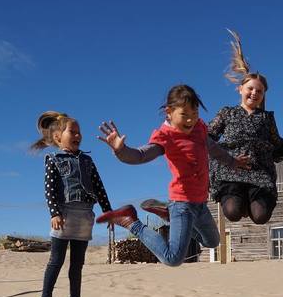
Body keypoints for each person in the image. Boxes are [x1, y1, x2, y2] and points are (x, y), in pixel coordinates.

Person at [95, 84, 249, 266]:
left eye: (195, 113)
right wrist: (121, 151)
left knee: (212, 242)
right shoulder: (166, 136)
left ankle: (168, 215)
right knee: (173, 258)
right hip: (182, 204)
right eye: (184, 114)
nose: (190, 120)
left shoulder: (199, 128)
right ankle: (132, 221)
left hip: (200, 203)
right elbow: (141, 155)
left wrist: (233, 161)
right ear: (169, 112)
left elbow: (213, 148)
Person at [208, 30, 283, 224]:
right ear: (240, 89)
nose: (254, 93)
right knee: (232, 212)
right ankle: (239, 203)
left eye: (259, 91)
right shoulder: (227, 113)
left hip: (260, 172)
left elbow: (278, 145)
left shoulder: (266, 118)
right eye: (250, 88)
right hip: (232, 170)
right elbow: (208, 136)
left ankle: (251, 203)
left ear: (263, 94)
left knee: (260, 217)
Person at [30, 111, 112, 297]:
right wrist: (54, 213)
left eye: (79, 132)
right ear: (58, 137)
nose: (78, 135)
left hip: (85, 216)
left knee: (77, 264)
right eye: (72, 132)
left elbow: (99, 188)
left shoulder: (87, 160)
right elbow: (50, 190)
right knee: (56, 261)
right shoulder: (53, 159)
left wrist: (108, 212)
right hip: (64, 215)